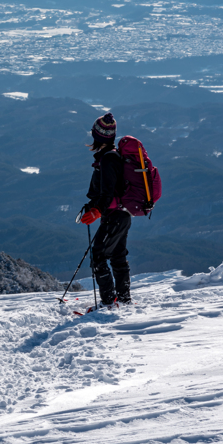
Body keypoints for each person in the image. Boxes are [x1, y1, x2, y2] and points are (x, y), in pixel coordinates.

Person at [80, 112, 131, 306]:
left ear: (97, 136)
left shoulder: (108, 159)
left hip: (113, 216)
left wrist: (97, 210)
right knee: (118, 256)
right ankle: (124, 300)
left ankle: (109, 302)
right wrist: (94, 207)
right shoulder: (111, 156)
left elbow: (108, 191)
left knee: (99, 256)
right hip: (121, 214)